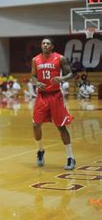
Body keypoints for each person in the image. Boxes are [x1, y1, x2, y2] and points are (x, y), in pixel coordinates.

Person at [31, 37, 75, 170]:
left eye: (47, 43)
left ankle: (70, 157)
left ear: (52, 46)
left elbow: (70, 74)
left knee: (61, 126)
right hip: (42, 96)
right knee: (35, 124)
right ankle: (40, 150)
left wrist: (62, 78)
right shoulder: (35, 60)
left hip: (55, 96)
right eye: (43, 43)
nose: (45, 45)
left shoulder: (60, 58)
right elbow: (33, 75)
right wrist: (36, 82)